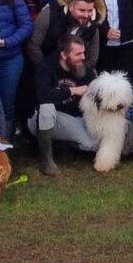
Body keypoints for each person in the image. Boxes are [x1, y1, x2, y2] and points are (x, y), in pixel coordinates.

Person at [29, 35, 100, 176]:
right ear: (63, 54)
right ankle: (46, 160)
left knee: (92, 144)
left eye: (83, 52)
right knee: (47, 107)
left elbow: (97, 91)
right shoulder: (46, 66)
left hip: (71, 119)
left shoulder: (84, 69)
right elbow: (43, 96)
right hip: (41, 119)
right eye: (78, 54)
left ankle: (64, 145)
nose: (83, 57)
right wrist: (72, 90)